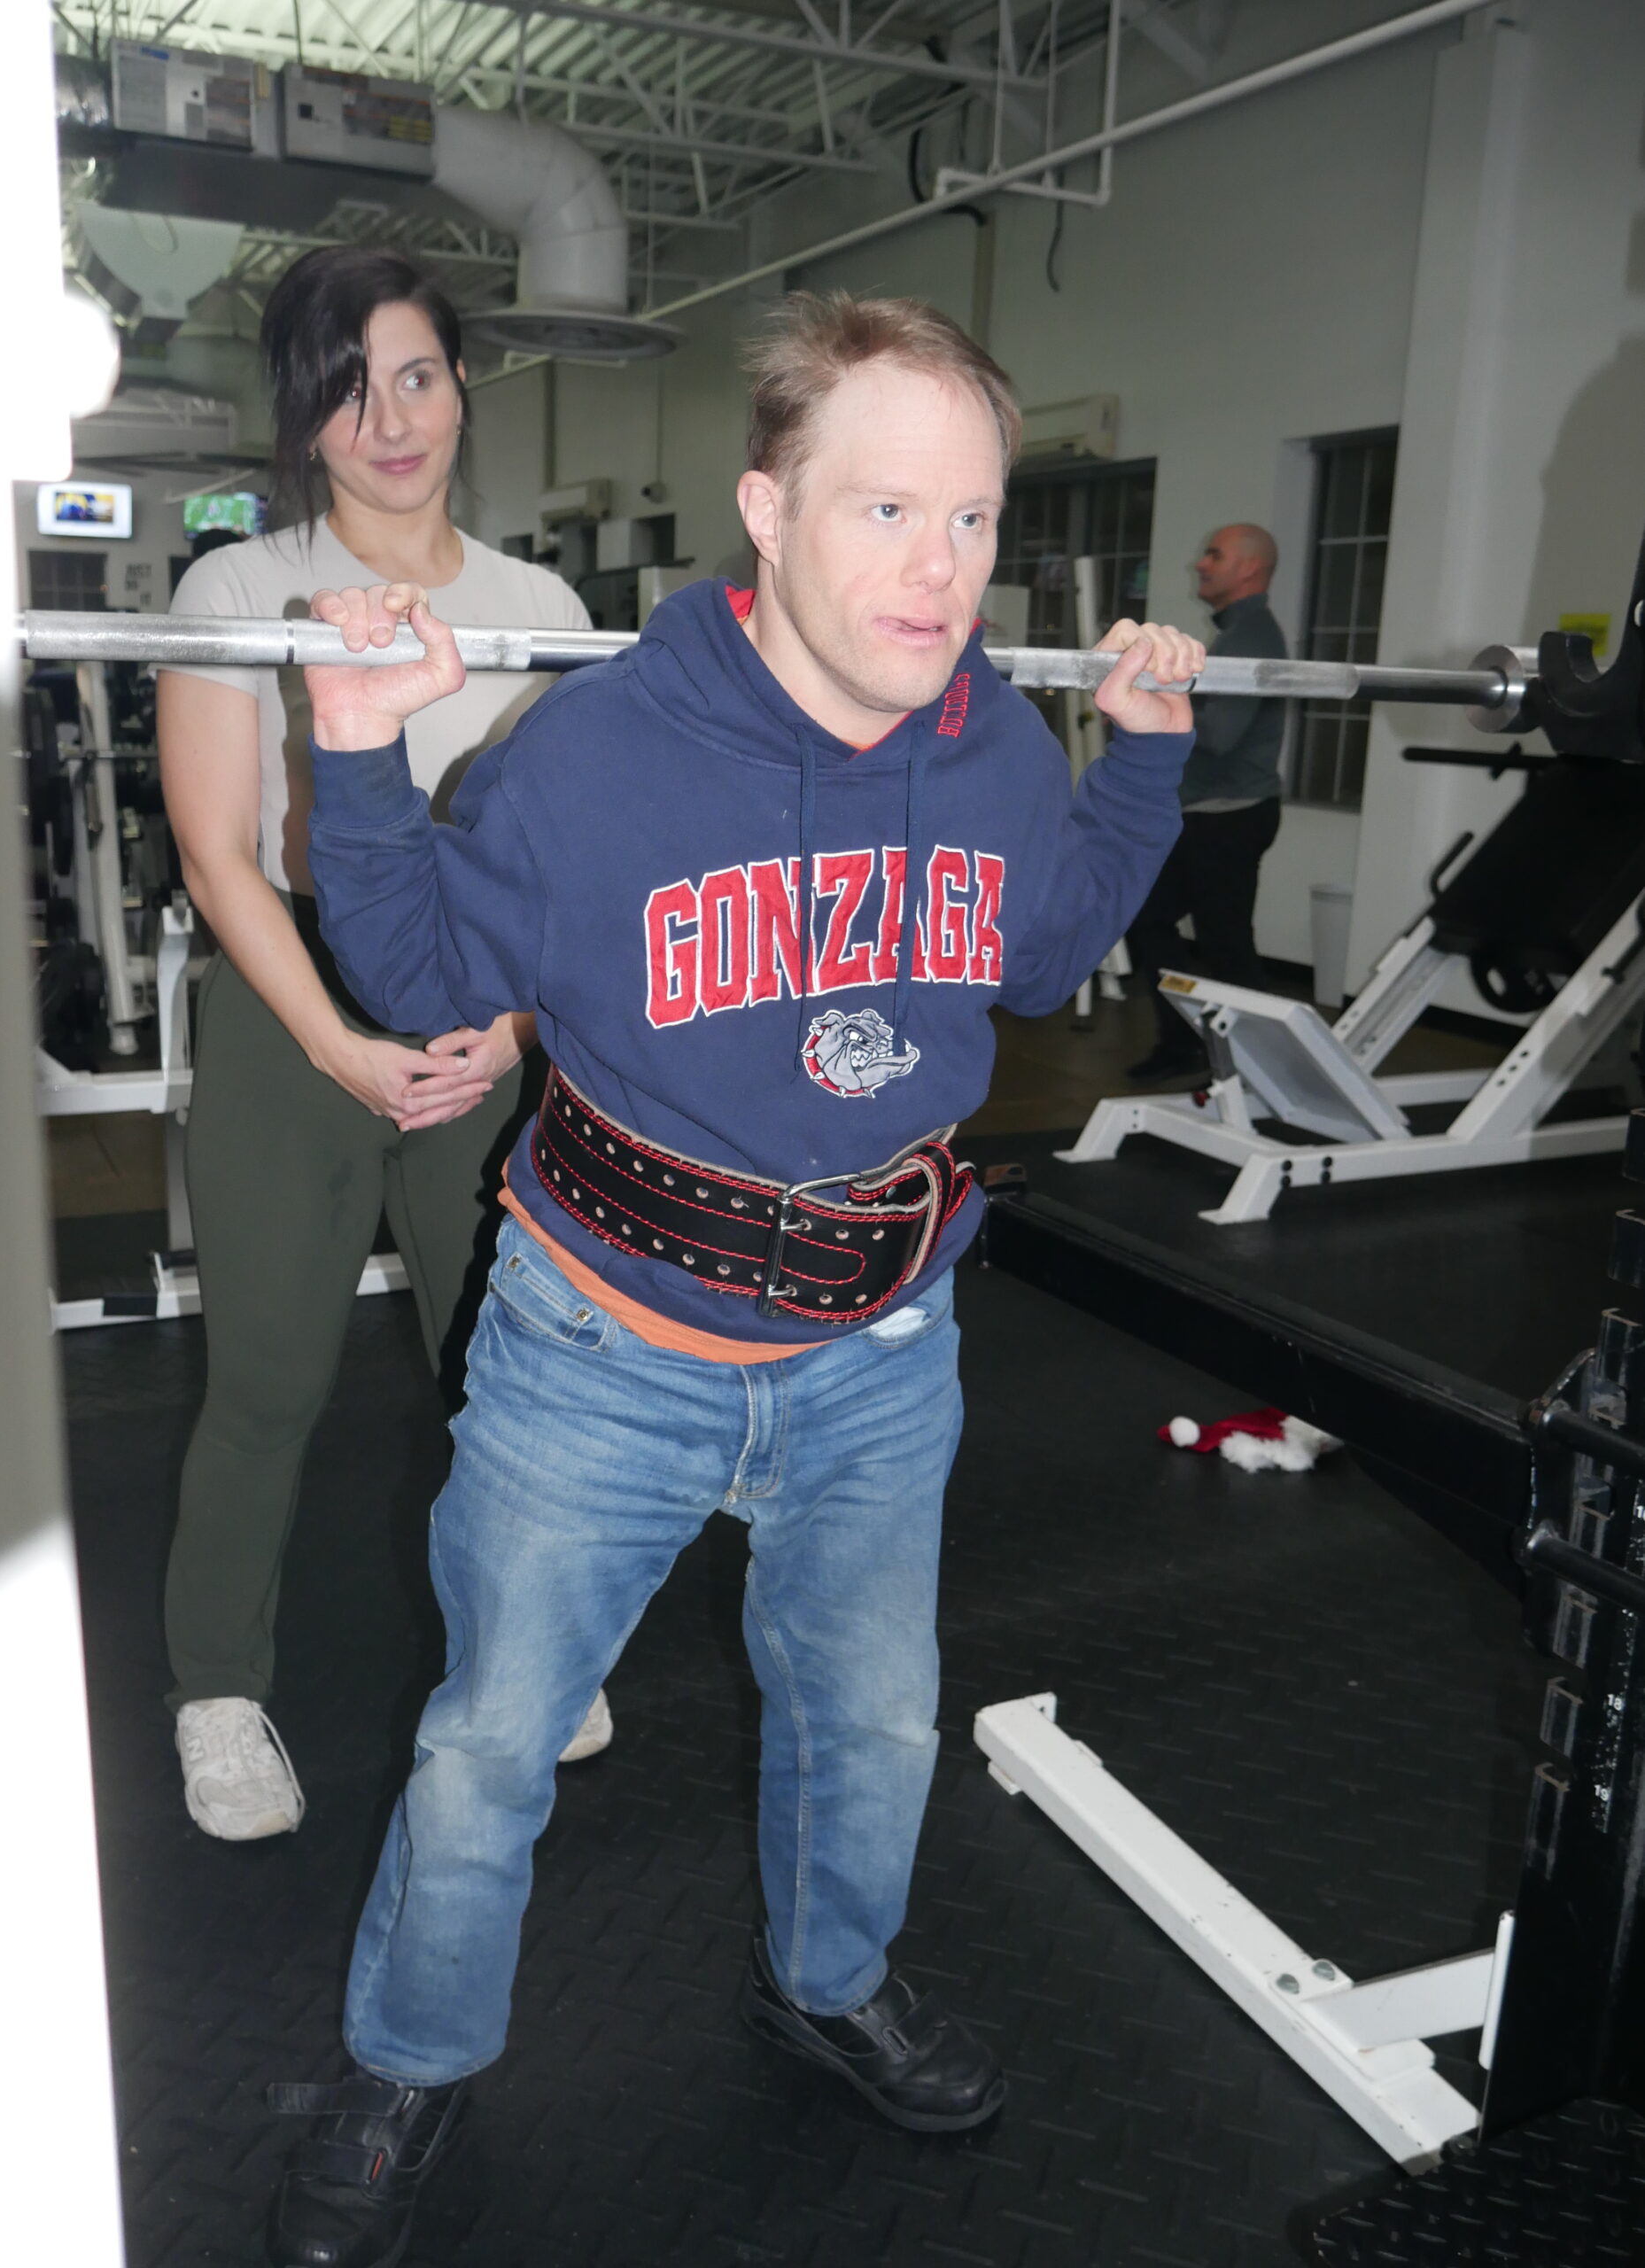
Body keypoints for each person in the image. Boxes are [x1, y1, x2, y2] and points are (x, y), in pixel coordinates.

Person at [263, 292, 1204, 2268]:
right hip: (604, 1347)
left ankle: (827, 1977)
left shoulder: (997, 757)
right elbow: (427, 985)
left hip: (884, 1339)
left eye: (970, 521)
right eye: (883, 512)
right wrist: (355, 757)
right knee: (486, 1746)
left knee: (869, 1721)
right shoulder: (595, 753)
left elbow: (1043, 958)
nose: (936, 571)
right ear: (768, 510)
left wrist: (1136, 762)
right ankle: (411, 2056)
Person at [156, 246, 612, 1845]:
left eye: (414, 375)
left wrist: (499, 1030)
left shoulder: (540, 609)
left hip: (486, 1026)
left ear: (462, 381)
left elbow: (569, 865)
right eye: (346, 391)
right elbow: (220, 851)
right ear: (303, 416)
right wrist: (344, 1050)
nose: (388, 420)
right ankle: (217, 1693)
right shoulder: (239, 592)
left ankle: (528, 1651)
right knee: (267, 1382)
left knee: (500, 1376)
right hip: (294, 1020)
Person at [1126, 521, 1286, 1082]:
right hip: (1204, 814)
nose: (1201, 563)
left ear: (1248, 568)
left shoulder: (1255, 637)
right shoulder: (1236, 633)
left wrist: (1149, 696)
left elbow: (1218, 736)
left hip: (1230, 818)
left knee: (1225, 946)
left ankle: (1264, 1065)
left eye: (1213, 555)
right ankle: (1184, 1044)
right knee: (1150, 920)